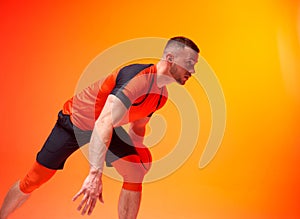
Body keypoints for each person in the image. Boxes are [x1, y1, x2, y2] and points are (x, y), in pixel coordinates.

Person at [0, 36, 199, 219]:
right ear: (170, 58)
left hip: (105, 128)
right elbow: (102, 122)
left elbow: (138, 127)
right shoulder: (137, 77)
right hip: (74, 122)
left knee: (135, 170)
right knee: (33, 180)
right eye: (189, 63)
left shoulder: (161, 97)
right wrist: (94, 174)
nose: (193, 71)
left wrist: (138, 155)